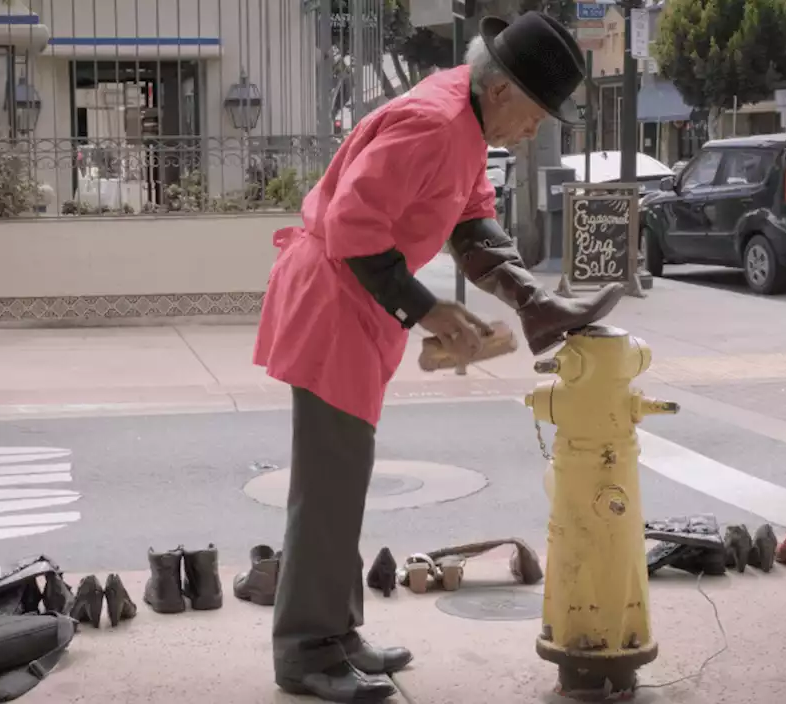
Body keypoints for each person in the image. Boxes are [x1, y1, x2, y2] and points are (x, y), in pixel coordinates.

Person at [252, 12, 626, 703]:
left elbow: (469, 222)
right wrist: (430, 309)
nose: (536, 130)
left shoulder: (466, 122)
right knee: (329, 485)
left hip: (356, 304)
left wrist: (527, 299)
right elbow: (352, 229)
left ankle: (336, 635)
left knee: (345, 479)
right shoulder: (432, 122)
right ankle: (305, 649)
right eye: (539, 114)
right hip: (333, 301)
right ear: (506, 90)